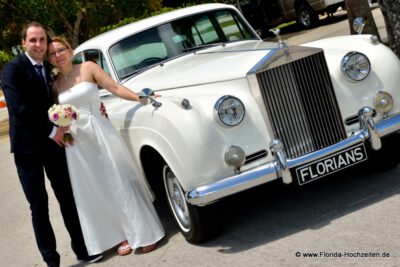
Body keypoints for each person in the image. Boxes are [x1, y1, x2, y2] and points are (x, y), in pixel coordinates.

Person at [47, 36, 165, 257]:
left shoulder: (88, 67)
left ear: (70, 50)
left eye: (60, 50)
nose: (57, 55)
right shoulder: (55, 85)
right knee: (96, 187)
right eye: (52, 53)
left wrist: (140, 98)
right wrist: (62, 128)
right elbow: (57, 114)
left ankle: (144, 233)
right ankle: (120, 235)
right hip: (77, 142)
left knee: (118, 178)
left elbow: (114, 87)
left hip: (99, 129)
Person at [1, 22, 102, 266]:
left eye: (42, 40)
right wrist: (52, 131)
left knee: (67, 197)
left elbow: (65, 95)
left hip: (53, 146)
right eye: (33, 40)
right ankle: (51, 261)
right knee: (39, 206)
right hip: (28, 150)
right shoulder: (12, 69)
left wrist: (95, 106)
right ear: (23, 42)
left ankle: (83, 248)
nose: (38, 44)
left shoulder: (50, 67)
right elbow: (20, 109)